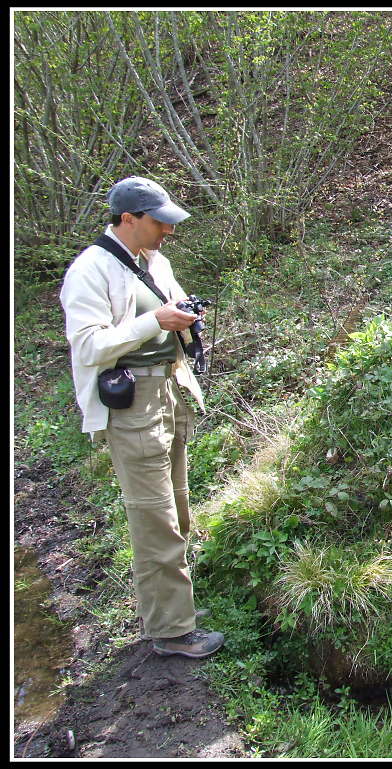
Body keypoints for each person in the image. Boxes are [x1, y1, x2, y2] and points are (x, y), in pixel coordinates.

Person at [59, 176, 224, 659]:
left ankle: (178, 607)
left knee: (177, 503)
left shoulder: (154, 260)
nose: (167, 231)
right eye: (159, 222)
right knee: (154, 517)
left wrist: (184, 316)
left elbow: (169, 306)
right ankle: (172, 632)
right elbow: (88, 345)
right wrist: (154, 321)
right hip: (132, 403)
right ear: (127, 219)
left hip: (169, 388)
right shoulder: (89, 269)